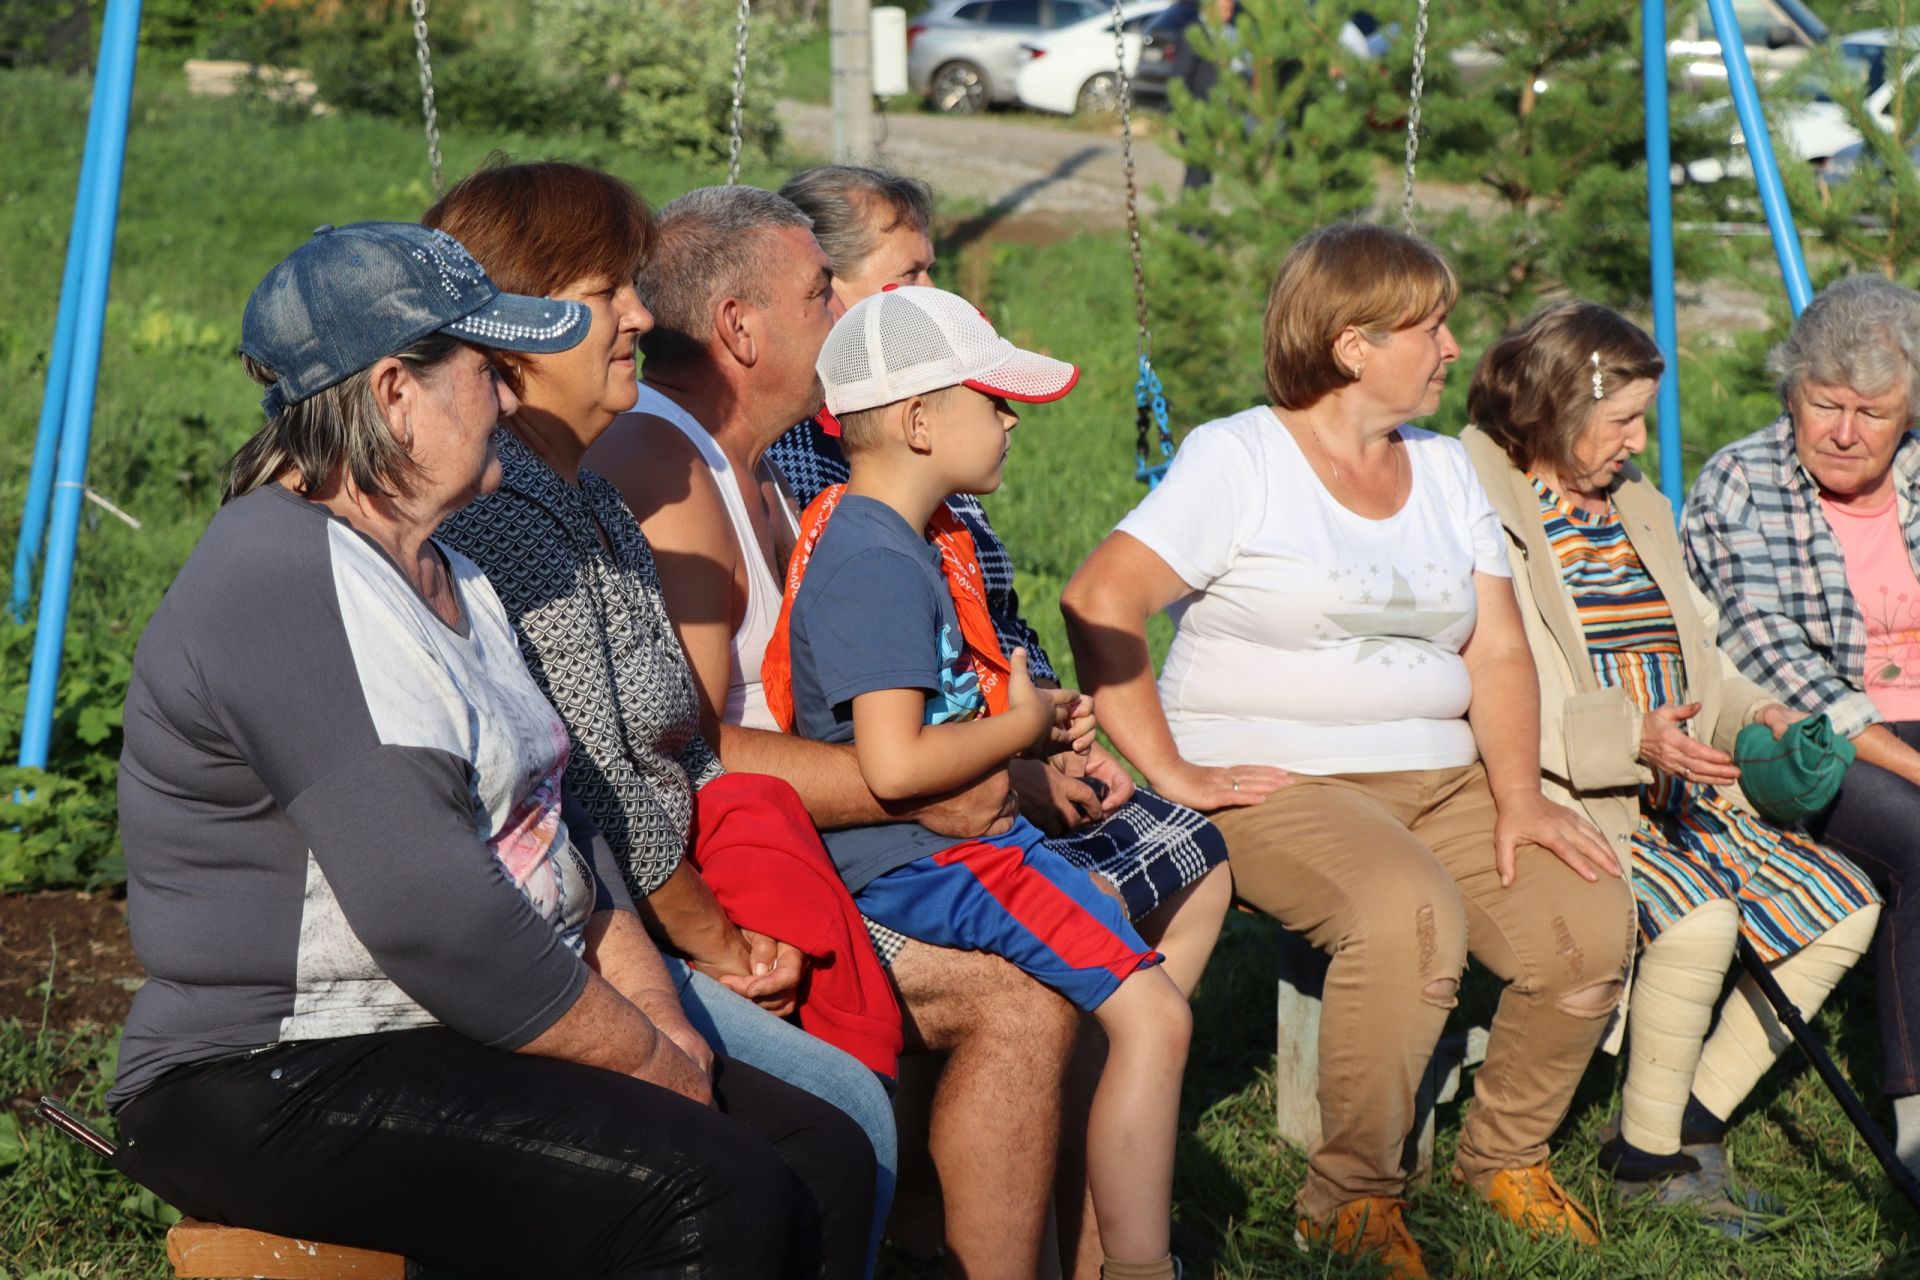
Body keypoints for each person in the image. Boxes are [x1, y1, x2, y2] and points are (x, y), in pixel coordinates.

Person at [106, 221, 871, 1276]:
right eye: (484, 370)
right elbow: (432, 912)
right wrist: (651, 1057)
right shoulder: (281, 575)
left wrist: (656, 1006)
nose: (512, 400)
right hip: (276, 1067)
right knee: (712, 1184)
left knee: (818, 1150)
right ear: (392, 395)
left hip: (441, 1026)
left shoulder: (452, 570)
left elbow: (558, 827)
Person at [1061, 222, 1637, 1280]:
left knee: (1590, 922)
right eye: (1429, 326)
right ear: (1352, 344)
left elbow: (1498, 649)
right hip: (1278, 776)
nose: (1455, 345)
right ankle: (1352, 1200)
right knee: (1404, 915)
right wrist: (1172, 769)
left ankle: (1503, 1155)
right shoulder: (1239, 458)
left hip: (1440, 771)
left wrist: (1519, 796)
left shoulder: (1443, 469)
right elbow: (1100, 596)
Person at [588, 183, 1083, 1277]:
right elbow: (692, 752)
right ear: (740, 329)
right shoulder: (664, 472)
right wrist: (920, 783)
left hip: (830, 831)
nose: (847, 315)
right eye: (823, 292)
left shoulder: (745, 462)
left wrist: (996, 747)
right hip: (730, 885)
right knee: (1023, 995)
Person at [416, 162, 893, 1278]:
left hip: (647, 903)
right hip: (583, 938)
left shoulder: (583, 498)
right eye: (606, 293)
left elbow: (661, 738)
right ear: (513, 327)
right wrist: (711, 936)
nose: (640, 315)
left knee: (844, 1117)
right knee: (829, 1130)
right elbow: (585, 781)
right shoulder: (511, 526)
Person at [758, 165, 1234, 1275]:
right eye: (992, 398)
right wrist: (1019, 727)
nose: (1011, 417)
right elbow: (887, 759)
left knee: (1152, 1005)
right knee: (1156, 1019)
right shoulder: (877, 559)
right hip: (921, 863)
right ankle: (1134, 1262)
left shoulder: (893, 537)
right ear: (920, 419)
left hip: (956, 846)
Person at [1463, 301, 1880, 1231]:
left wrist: (1757, 714)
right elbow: (1502, 685)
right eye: (1622, 422)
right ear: (1557, 409)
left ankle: (1691, 1120)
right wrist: (1633, 741)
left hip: (1684, 789)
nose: (1636, 442)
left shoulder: (1638, 506)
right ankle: (1644, 1165)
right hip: (1578, 794)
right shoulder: (1490, 515)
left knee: (1843, 902)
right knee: (1695, 922)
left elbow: (1704, 658)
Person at [1684, 272, 1920, 1177]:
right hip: (1800, 740)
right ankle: (1913, 1111)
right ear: (1791, 392)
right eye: (1825, 404)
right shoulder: (1743, 486)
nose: (1845, 431)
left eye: (1873, 410)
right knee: (1912, 835)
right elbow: (1789, 671)